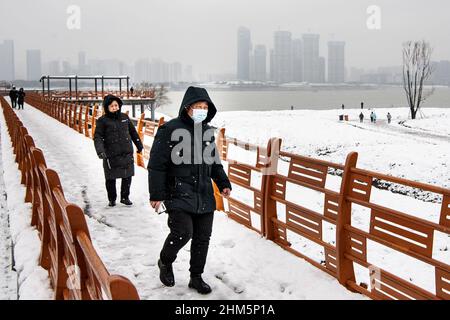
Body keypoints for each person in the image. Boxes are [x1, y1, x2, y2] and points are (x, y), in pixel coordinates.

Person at [148, 86, 232, 294]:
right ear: (187, 108)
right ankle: (165, 261)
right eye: (198, 106)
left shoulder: (207, 132)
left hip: (203, 194)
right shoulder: (170, 129)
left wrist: (223, 183)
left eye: (205, 107)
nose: (202, 110)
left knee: (203, 238)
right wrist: (156, 195)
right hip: (178, 193)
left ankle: (196, 277)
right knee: (183, 232)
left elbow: (214, 162)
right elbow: (157, 164)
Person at [94, 94, 143, 207]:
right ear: (107, 107)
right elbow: (98, 137)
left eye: (116, 105)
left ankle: (125, 197)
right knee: (111, 178)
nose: (115, 107)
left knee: (127, 175)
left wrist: (139, 145)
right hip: (110, 155)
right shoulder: (102, 121)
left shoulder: (125, 117)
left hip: (126, 152)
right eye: (112, 106)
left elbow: (133, 132)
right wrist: (100, 151)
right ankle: (112, 199)